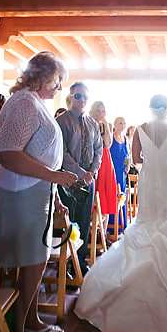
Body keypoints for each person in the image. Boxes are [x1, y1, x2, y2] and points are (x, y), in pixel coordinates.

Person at [75, 94, 167, 332]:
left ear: (151, 109)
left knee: (147, 221)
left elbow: (137, 159)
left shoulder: (140, 129)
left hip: (149, 178)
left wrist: (152, 158)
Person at [0, 51, 77, 332]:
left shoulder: (36, 103)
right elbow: (7, 152)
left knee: (35, 262)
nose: (59, 87)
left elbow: (40, 154)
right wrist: (54, 177)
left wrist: (54, 194)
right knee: (27, 263)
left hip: (36, 193)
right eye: (57, 80)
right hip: (18, 194)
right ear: (40, 75)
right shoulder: (24, 102)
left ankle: (30, 321)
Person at [55, 82, 102, 272]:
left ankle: (79, 264)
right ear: (70, 98)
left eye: (84, 97)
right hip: (69, 180)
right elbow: (62, 153)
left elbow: (98, 149)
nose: (81, 100)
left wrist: (92, 171)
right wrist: (82, 173)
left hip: (89, 180)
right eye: (78, 96)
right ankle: (64, 265)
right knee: (69, 222)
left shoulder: (92, 123)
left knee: (83, 222)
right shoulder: (62, 121)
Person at [90, 100, 119, 228]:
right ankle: (91, 230)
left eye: (102, 111)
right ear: (93, 111)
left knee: (106, 192)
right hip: (92, 158)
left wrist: (106, 125)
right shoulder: (89, 123)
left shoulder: (106, 125)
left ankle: (104, 232)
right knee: (95, 191)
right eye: (98, 110)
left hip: (105, 159)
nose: (100, 113)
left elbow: (108, 144)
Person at [109, 116, 131, 232]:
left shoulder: (125, 139)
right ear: (115, 124)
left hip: (122, 171)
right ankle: (112, 225)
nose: (122, 125)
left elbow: (128, 155)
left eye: (124, 123)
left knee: (121, 195)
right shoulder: (111, 137)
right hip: (113, 170)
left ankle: (121, 224)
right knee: (113, 195)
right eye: (120, 123)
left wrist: (128, 164)